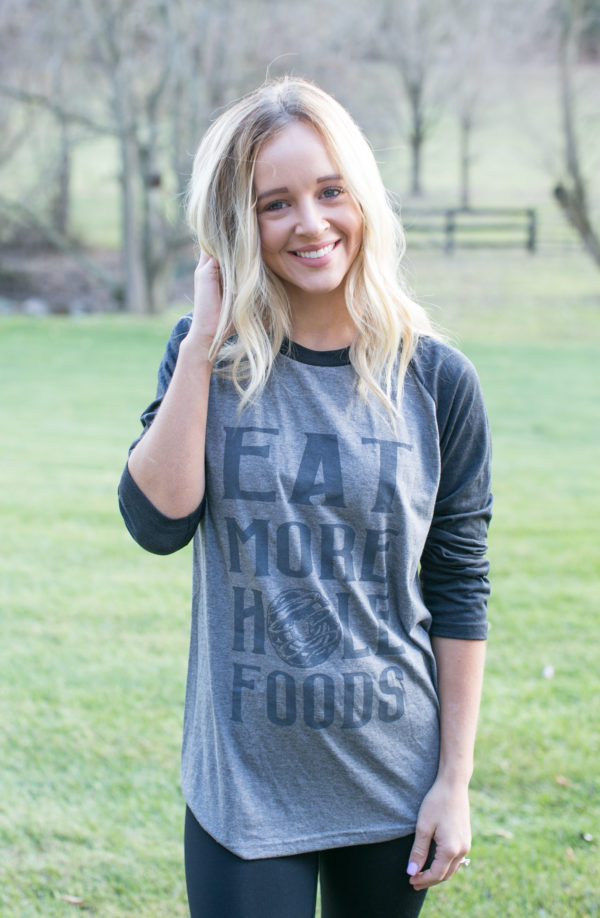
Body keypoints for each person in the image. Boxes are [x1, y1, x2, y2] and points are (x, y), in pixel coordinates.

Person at [118, 76, 492, 918]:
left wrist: (453, 783)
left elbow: (460, 586)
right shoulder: (210, 359)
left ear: (362, 197)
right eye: (274, 203)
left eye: (330, 191)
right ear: (237, 224)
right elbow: (155, 522)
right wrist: (202, 345)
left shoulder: (437, 380)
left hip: (391, 777)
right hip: (242, 787)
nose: (311, 223)